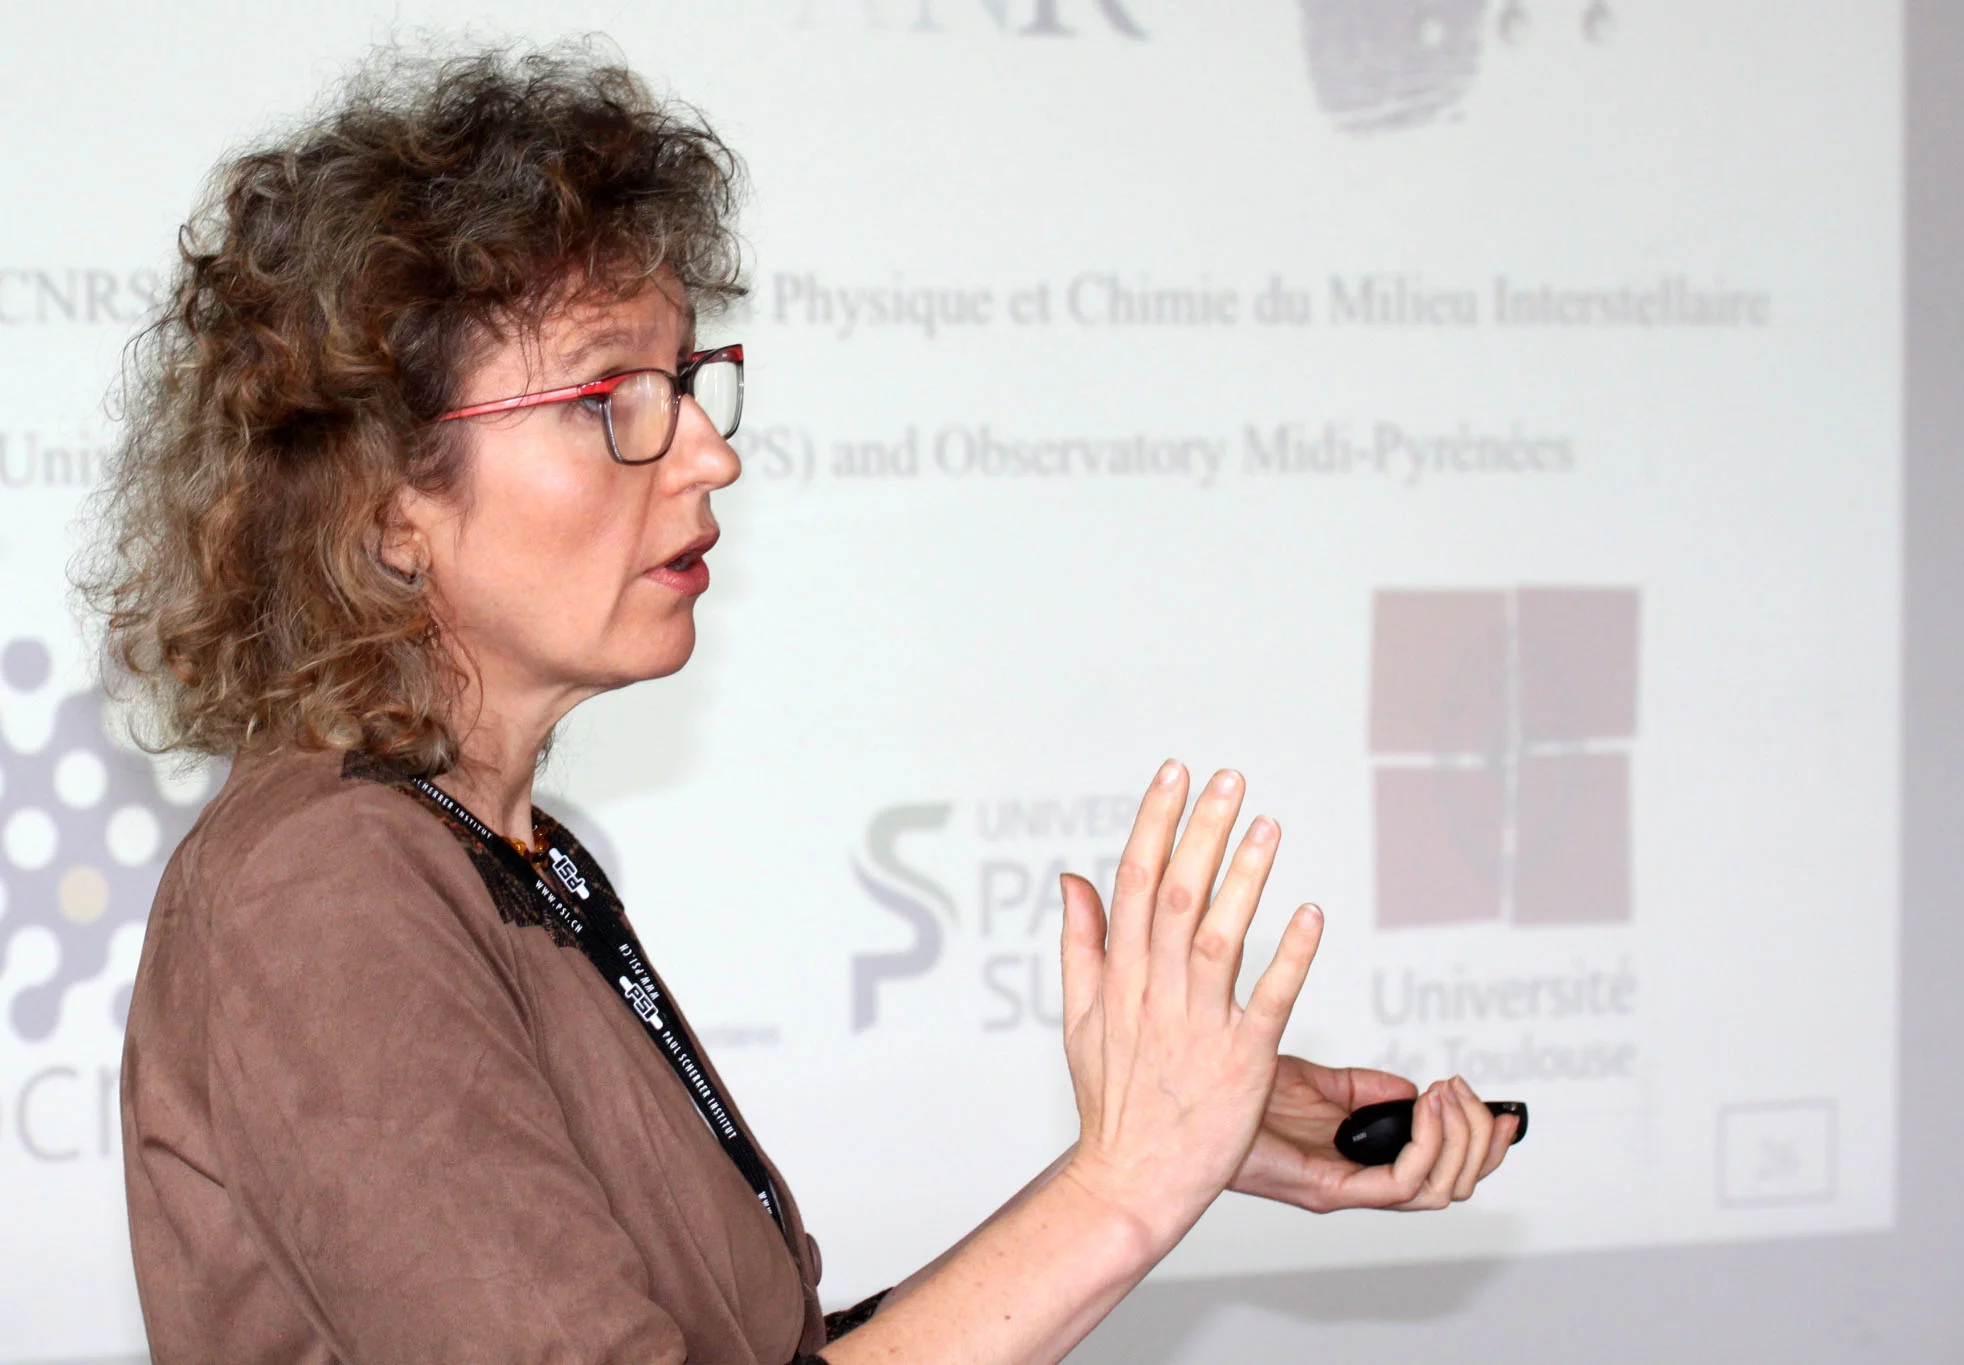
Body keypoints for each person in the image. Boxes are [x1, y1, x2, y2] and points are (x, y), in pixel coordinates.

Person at [95, 45, 1520, 1365]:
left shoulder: (508, 856)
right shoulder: (322, 889)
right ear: (386, 500)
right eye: (609, 396)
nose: (706, 453)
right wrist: (1125, 1184)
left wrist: (1176, 1148)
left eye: (686, 381)